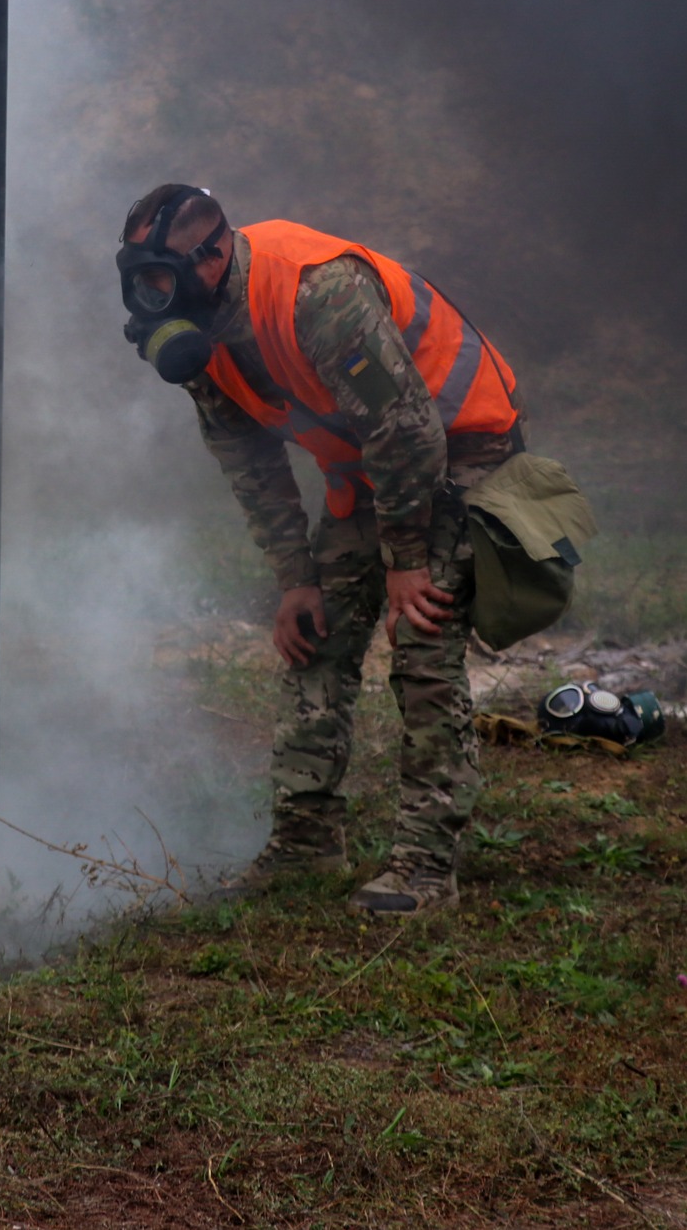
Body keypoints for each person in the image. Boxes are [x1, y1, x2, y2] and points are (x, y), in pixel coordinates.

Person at [115, 185, 524, 916]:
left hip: (459, 446)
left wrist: (405, 562)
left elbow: (409, 431)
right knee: (315, 637)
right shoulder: (198, 334)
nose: (151, 299)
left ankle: (427, 866)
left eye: (160, 280)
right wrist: (295, 579)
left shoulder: (317, 291)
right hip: (369, 466)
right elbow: (251, 464)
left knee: (422, 634)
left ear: (210, 258)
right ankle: (307, 839)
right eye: (138, 281)